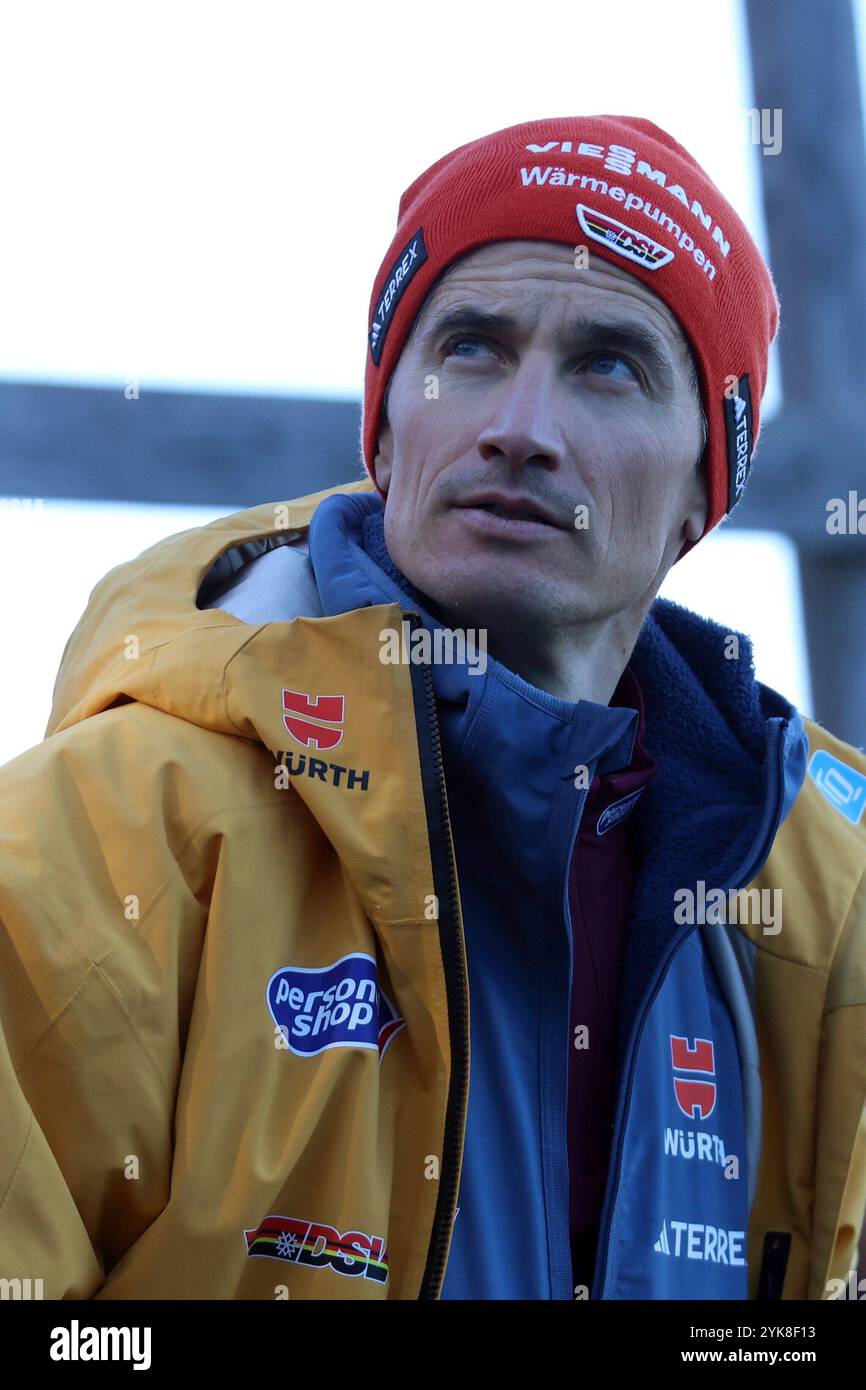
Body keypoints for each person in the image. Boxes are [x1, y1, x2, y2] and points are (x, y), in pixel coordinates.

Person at [0, 115, 864, 1301]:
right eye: (469, 347)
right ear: (387, 436)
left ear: (698, 495)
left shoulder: (825, 930)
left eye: (609, 364)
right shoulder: (96, 844)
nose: (520, 427)